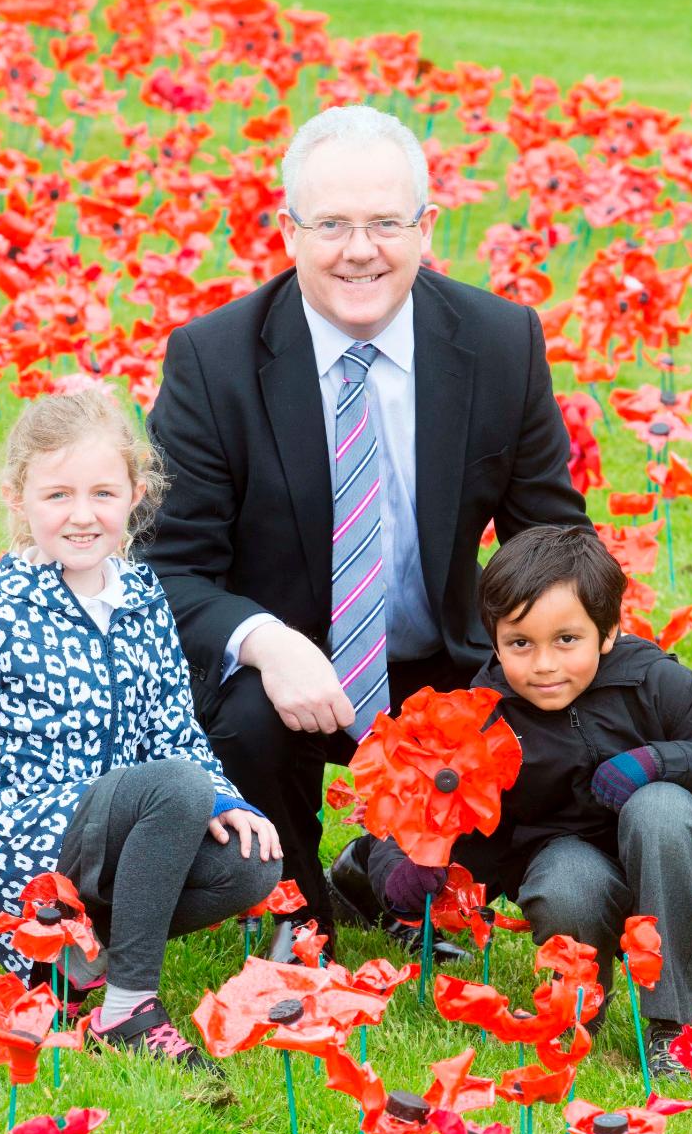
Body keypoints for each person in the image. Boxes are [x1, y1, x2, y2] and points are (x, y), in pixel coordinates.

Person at [146, 104, 588, 962]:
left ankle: (403, 879)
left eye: (386, 222)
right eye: (333, 224)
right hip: (288, 662)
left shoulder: (500, 343)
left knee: (541, 713)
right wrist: (266, 642)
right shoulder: (213, 360)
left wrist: (557, 655)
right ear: (288, 231)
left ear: (426, 226)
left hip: (441, 653)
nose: (360, 250)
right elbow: (170, 566)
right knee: (242, 717)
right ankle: (299, 908)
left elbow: (551, 537)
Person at [0, 383, 282, 1072]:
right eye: (58, 496)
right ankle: (127, 1006)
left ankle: (79, 962)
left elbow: (174, 728)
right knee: (174, 786)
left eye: (104, 494)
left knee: (249, 862)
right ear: (19, 498)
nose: (83, 516)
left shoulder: (142, 598)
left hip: (119, 832)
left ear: (136, 492)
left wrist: (228, 802)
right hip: (19, 850)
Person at [365, 525, 692, 1078]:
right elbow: (433, 812)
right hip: (570, 875)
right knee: (565, 875)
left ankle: (670, 1027)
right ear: (493, 640)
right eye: (520, 643)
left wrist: (665, 761)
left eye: (567, 640)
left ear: (607, 632)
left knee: (659, 807)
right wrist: (405, 862)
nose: (543, 665)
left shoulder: (658, 683)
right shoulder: (485, 717)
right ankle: (583, 1000)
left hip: (672, 870)